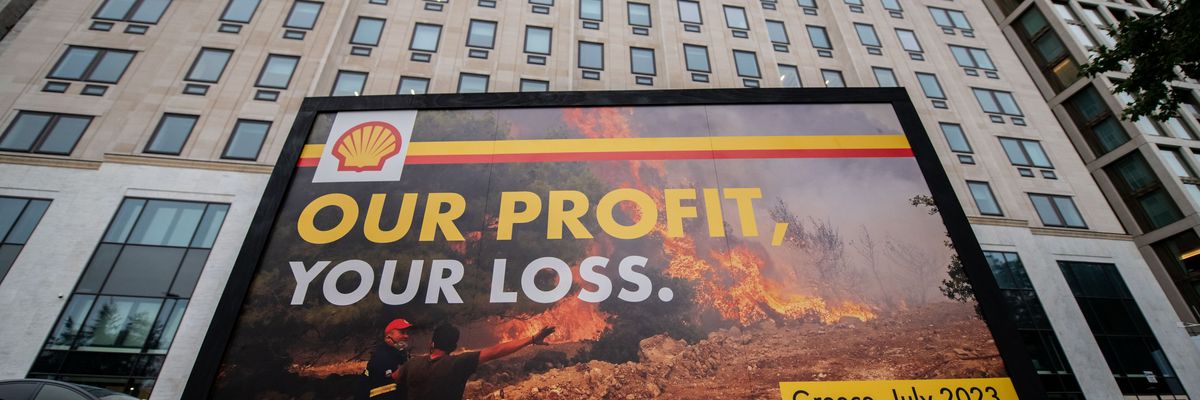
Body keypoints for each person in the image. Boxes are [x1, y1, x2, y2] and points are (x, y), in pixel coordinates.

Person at [392, 323, 555, 400]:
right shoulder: (457, 364)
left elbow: (394, 377)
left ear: (432, 344)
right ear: (454, 346)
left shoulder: (412, 364)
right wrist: (532, 339)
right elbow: (496, 351)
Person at [363, 318, 413, 399]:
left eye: (407, 333)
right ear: (388, 337)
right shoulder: (381, 356)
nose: (406, 336)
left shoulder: (400, 353)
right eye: (402, 332)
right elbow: (391, 379)